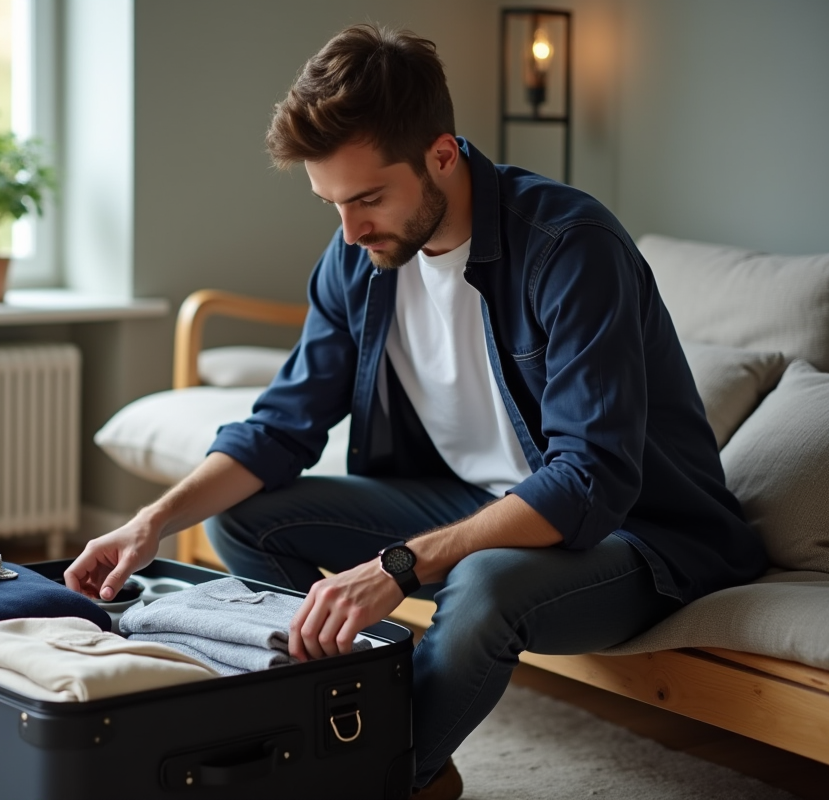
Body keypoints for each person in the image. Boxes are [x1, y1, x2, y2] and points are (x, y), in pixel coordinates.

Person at [64, 23, 767, 800]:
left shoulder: (570, 246)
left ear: (443, 153)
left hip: (640, 535)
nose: (350, 229)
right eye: (331, 203)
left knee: (486, 586)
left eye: (368, 197)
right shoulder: (358, 258)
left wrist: (400, 564)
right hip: (476, 503)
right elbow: (278, 429)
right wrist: (151, 522)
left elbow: (589, 480)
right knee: (247, 519)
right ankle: (348, 729)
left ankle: (389, 776)